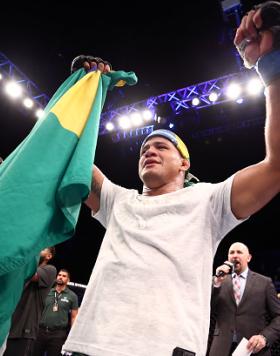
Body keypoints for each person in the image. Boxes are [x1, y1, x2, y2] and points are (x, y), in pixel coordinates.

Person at [62, 2, 280, 356]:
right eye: (145, 148)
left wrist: (272, 66)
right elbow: (69, 154)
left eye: (162, 146)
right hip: (90, 347)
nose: (150, 151)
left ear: (184, 164)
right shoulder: (120, 200)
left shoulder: (209, 202)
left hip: (165, 349)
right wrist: (83, 95)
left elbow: (276, 167)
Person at [208, 242, 280, 356]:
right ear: (228, 258)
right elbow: (207, 311)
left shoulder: (264, 283)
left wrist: (264, 337)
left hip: (253, 349)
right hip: (221, 348)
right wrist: (216, 285)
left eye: (239, 252)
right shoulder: (218, 282)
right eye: (231, 252)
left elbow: (278, 316)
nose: (235, 255)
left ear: (249, 258)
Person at [3, 247, 57, 356]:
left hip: (24, 329)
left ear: (49, 256)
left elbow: (29, 274)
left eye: (43, 248)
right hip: (7, 327)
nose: (38, 248)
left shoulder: (50, 270)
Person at [33, 269, 79, 356]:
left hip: (58, 334)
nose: (61, 277)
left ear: (68, 280)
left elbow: (74, 316)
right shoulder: (47, 291)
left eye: (64, 276)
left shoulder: (72, 296)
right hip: (41, 331)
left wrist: (71, 336)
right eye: (59, 275)